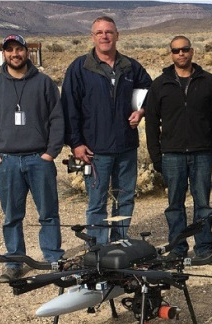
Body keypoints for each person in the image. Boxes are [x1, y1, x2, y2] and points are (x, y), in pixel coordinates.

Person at [0, 34, 65, 282]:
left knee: (48, 212)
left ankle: (52, 257)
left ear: (27, 52)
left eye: (19, 49)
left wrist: (51, 153)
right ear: (4, 54)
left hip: (40, 159)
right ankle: (15, 261)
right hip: (7, 162)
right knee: (11, 215)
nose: (15, 54)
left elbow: (57, 119)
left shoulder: (45, 83)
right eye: (10, 50)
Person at [61, 16, 152, 244]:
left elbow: (150, 91)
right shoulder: (80, 68)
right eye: (99, 32)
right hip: (94, 150)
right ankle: (99, 248)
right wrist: (76, 143)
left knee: (125, 198)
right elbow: (69, 107)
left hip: (126, 146)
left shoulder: (130, 67)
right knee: (97, 201)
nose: (104, 36)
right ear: (92, 37)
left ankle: (120, 241)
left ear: (117, 35)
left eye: (109, 32)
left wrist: (140, 111)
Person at [145, 35, 212, 265]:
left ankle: (204, 248)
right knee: (174, 206)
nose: (181, 54)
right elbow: (151, 122)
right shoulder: (160, 84)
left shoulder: (208, 81)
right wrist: (156, 156)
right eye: (176, 50)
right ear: (170, 54)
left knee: (203, 204)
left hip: (202, 153)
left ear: (192, 52)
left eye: (185, 49)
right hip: (172, 155)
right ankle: (178, 249)